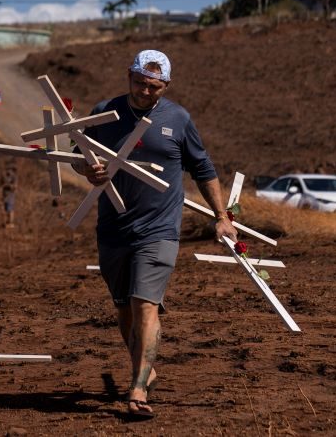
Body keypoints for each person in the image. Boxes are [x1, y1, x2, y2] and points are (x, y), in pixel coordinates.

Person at [72, 50, 237, 419]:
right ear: (128, 76)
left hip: (159, 229)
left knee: (145, 303)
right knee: (124, 309)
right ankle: (145, 367)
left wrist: (222, 217)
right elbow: (76, 154)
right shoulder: (104, 112)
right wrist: (88, 169)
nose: (146, 92)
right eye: (140, 83)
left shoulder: (177, 119)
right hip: (113, 228)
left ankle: (138, 387)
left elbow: (203, 168)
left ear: (166, 86)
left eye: (155, 87)